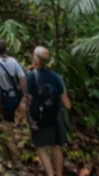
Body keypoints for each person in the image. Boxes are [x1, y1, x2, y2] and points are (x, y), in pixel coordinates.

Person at [25, 46, 72, 176]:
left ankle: (50, 174)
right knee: (56, 147)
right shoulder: (57, 77)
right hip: (55, 117)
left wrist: (27, 117)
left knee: (40, 147)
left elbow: (27, 100)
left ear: (35, 59)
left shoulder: (30, 76)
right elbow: (67, 105)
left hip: (39, 118)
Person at [0, 38, 27, 170]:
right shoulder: (13, 61)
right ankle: (5, 160)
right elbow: (22, 78)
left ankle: (17, 162)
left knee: (6, 132)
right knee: (5, 128)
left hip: (4, 101)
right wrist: (24, 98)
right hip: (14, 98)